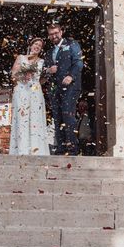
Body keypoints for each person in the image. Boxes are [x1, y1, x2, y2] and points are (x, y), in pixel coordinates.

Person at [44, 24, 83, 156]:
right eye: (51, 34)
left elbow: (78, 62)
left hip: (70, 87)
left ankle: (72, 148)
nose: (54, 36)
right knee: (57, 117)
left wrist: (71, 76)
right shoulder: (49, 52)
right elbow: (44, 70)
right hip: (54, 89)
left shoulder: (72, 44)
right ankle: (60, 148)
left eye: (56, 33)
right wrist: (49, 70)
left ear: (61, 32)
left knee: (68, 116)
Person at [11, 38, 50, 156]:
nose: (37, 46)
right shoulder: (21, 58)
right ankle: (21, 149)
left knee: (35, 118)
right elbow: (13, 75)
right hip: (22, 90)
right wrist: (24, 74)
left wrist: (44, 76)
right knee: (22, 117)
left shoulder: (42, 61)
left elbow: (43, 79)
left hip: (35, 91)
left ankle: (36, 149)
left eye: (39, 45)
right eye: (35, 44)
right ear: (31, 45)